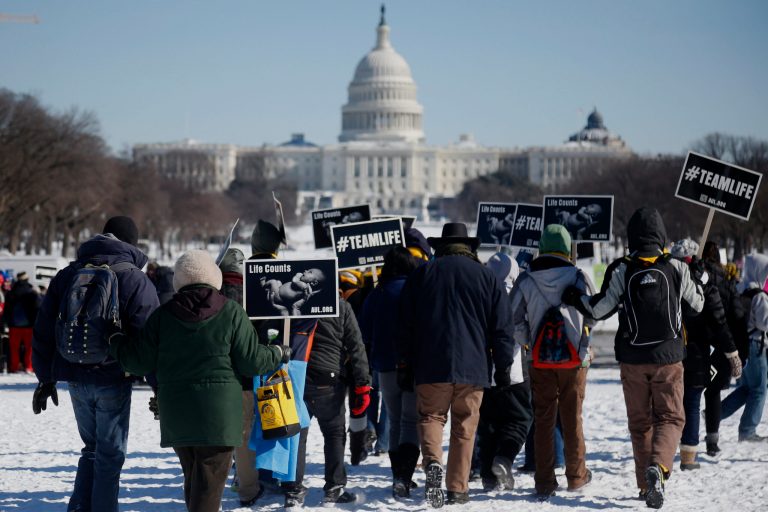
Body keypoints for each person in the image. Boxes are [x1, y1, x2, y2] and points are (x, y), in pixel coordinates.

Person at [109, 249, 289, 512]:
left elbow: (138, 361)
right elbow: (252, 361)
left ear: (178, 280)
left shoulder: (162, 316)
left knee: (194, 479)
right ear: (213, 278)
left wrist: (115, 340)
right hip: (220, 417)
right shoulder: (232, 313)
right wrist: (277, 352)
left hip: (178, 413)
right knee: (208, 486)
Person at [562, 207, 704, 509]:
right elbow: (699, 304)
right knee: (670, 417)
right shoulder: (676, 266)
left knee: (640, 424)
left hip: (632, 358)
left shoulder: (622, 268)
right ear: (662, 234)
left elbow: (599, 309)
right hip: (669, 357)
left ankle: (645, 484)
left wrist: (575, 299)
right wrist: (697, 276)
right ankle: (660, 468)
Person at [31, 215, 161, 512]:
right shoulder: (134, 278)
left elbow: (45, 328)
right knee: (110, 455)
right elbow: (150, 338)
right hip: (113, 374)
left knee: (91, 449)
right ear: (131, 242)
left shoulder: (67, 274)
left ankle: (79, 508)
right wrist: (158, 385)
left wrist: (45, 377)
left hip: (75, 373)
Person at [398, 222, 515, 507]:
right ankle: (457, 488)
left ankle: (433, 463)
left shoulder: (422, 275)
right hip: (474, 365)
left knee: (431, 417)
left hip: (430, 363)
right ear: (469, 247)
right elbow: (502, 327)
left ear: (440, 247)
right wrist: (503, 366)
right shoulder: (487, 277)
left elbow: (404, 325)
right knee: (465, 426)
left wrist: (404, 363)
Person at [511, 226, 593, 500]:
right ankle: (576, 476)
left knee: (544, 419)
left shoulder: (526, 280)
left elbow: (513, 319)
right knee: (573, 418)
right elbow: (593, 314)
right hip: (574, 362)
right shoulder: (579, 277)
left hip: (539, 360)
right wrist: (581, 343)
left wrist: (529, 343)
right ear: (567, 248)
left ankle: (544, 481)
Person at [248, 219, 319, 508]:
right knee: (289, 420)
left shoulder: (248, 275)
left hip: (254, 361)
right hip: (290, 360)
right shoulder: (278, 275)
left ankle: (263, 478)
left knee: (263, 419)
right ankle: (290, 482)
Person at [669, 239, 740, 471]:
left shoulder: (667, 278)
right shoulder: (706, 283)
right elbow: (719, 320)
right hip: (698, 349)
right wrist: (732, 352)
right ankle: (688, 455)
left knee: (668, 402)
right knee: (691, 401)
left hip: (670, 349)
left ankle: (663, 451)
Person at [359, 246, 423, 498]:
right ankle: (404, 476)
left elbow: (364, 331)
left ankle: (398, 475)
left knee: (395, 420)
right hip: (414, 365)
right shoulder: (417, 292)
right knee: (410, 420)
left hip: (385, 366)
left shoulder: (378, 293)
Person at [302, 284, 371, 504]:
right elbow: (356, 346)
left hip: (297, 375)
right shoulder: (341, 307)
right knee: (334, 434)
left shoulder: (297, 303)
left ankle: (292, 487)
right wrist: (362, 383)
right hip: (329, 380)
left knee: (297, 435)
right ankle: (335, 486)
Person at [478, 252, 533, 492]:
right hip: (514, 371)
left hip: (481, 371)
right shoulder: (516, 293)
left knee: (488, 423)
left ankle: (487, 475)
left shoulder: (480, 292)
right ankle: (505, 458)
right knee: (520, 419)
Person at [700, 241, 745, 455]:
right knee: (713, 392)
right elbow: (737, 316)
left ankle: (684, 439)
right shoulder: (728, 283)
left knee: (688, 394)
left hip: (696, 344)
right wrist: (738, 350)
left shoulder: (695, 279)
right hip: (721, 344)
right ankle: (712, 441)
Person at [720, 253, 768, 442]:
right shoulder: (759, 296)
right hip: (756, 345)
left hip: (740, 344)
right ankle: (748, 431)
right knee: (759, 389)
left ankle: (715, 414)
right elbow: (765, 324)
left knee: (748, 388)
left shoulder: (739, 289)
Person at [2, 271, 40, 373]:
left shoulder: (10, 293)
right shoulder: (32, 293)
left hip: (14, 325)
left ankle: (14, 367)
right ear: (27, 279)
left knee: (14, 348)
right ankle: (28, 366)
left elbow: (6, 310)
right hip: (29, 326)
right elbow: (37, 309)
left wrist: (5, 323)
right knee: (29, 348)